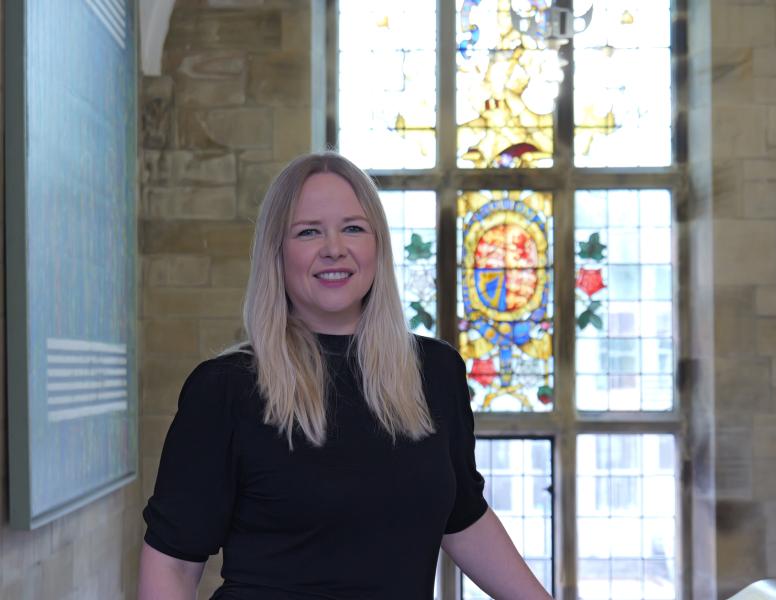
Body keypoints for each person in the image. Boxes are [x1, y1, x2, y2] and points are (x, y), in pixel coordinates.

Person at [138, 152, 553, 600]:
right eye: (308, 231)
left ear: (378, 244)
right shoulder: (225, 389)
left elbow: (463, 516)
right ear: (276, 251)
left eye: (353, 227)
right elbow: (174, 564)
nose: (334, 247)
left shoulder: (435, 372)